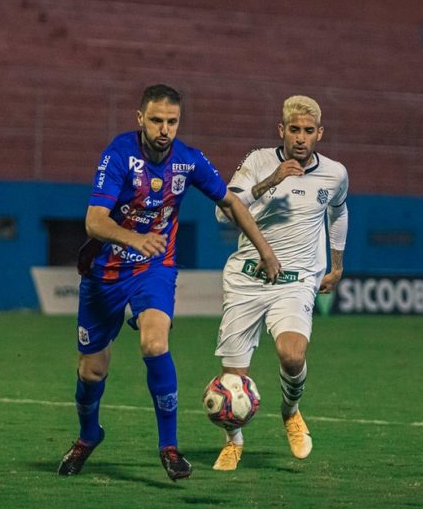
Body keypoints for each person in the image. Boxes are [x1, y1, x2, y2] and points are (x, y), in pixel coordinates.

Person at [57, 84, 282, 481]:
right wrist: (134, 238)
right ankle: (89, 435)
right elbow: (94, 221)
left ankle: (170, 448)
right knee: (92, 372)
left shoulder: (188, 161)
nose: (165, 129)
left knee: (155, 342)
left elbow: (230, 202)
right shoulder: (119, 154)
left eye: (172, 122)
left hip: (154, 268)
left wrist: (264, 249)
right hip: (106, 272)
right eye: (157, 120)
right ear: (140, 118)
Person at [211, 95, 349, 471]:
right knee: (233, 379)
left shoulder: (335, 174)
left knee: (292, 354)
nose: (301, 138)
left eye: (308, 131)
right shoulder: (257, 162)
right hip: (247, 279)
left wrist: (336, 265)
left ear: (319, 133)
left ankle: (290, 412)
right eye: (294, 130)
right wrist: (271, 182)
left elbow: (338, 211)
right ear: (281, 131)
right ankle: (233, 441)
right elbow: (223, 215)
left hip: (295, 281)